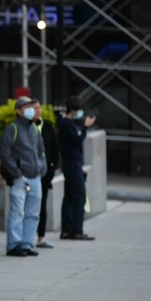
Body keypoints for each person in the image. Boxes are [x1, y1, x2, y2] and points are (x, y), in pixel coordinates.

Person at [0, 96, 47, 257]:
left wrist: (42, 166)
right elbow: (4, 153)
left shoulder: (33, 128)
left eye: (31, 106)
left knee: (33, 212)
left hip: (35, 176)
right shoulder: (13, 128)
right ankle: (14, 245)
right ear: (18, 110)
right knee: (17, 211)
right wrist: (16, 172)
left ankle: (27, 243)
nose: (31, 109)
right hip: (20, 177)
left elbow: (40, 149)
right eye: (26, 107)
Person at [58, 97, 96, 240]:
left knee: (69, 196)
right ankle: (76, 230)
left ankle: (67, 230)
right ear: (73, 110)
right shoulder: (67, 124)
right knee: (79, 196)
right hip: (72, 163)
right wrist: (86, 127)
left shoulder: (67, 123)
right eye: (79, 110)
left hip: (71, 163)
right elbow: (77, 141)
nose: (81, 112)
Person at [33, 101, 59, 248]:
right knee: (28, 207)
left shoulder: (47, 126)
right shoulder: (26, 126)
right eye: (34, 108)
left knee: (42, 206)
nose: (38, 111)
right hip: (28, 173)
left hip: (44, 173)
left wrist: (52, 168)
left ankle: (41, 237)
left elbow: (55, 149)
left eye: (39, 108)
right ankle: (24, 239)